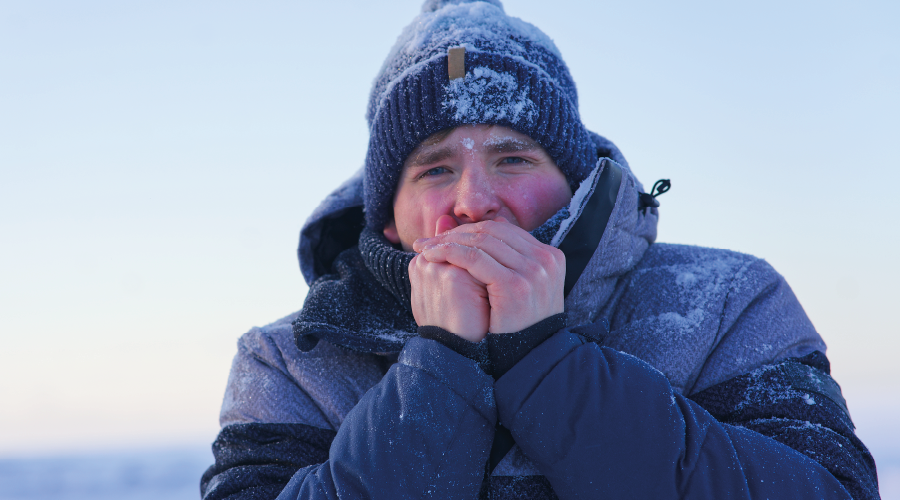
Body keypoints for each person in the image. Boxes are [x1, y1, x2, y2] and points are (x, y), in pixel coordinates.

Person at [200, 1, 879, 498]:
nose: (474, 201)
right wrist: (440, 367)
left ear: (575, 186)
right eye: (435, 169)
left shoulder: (726, 302)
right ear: (388, 223)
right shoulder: (292, 360)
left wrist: (547, 365)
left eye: (514, 159)